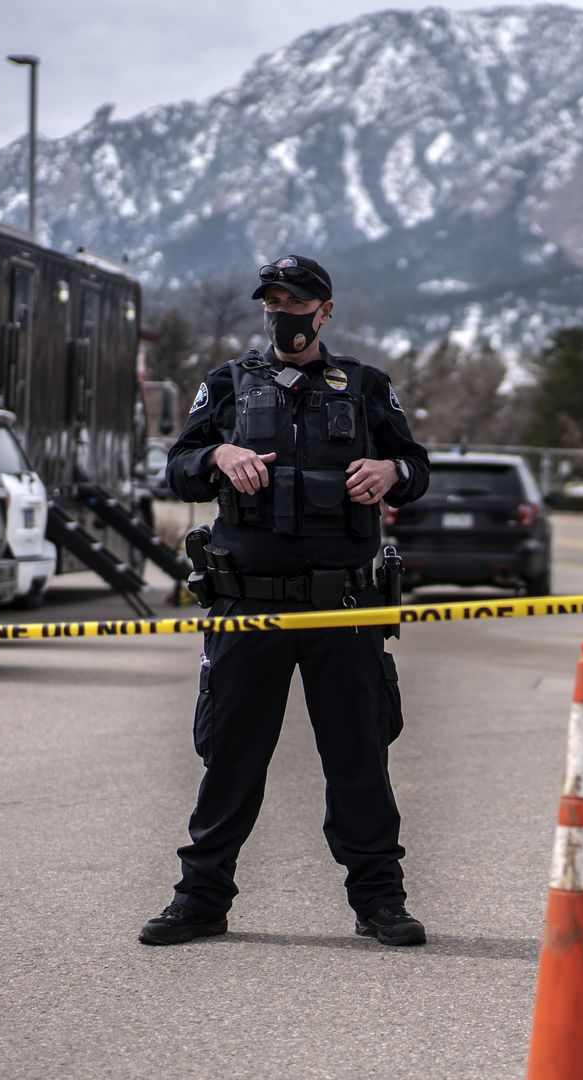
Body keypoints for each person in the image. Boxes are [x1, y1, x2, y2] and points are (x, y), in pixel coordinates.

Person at [140, 254, 431, 948]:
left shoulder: (365, 387)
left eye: (296, 300)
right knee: (231, 760)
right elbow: (177, 467)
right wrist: (216, 458)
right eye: (272, 299)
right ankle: (200, 901)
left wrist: (393, 469)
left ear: (323, 311)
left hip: (344, 608)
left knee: (359, 759)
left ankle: (380, 902)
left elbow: (418, 469)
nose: (283, 312)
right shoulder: (228, 386)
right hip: (251, 608)